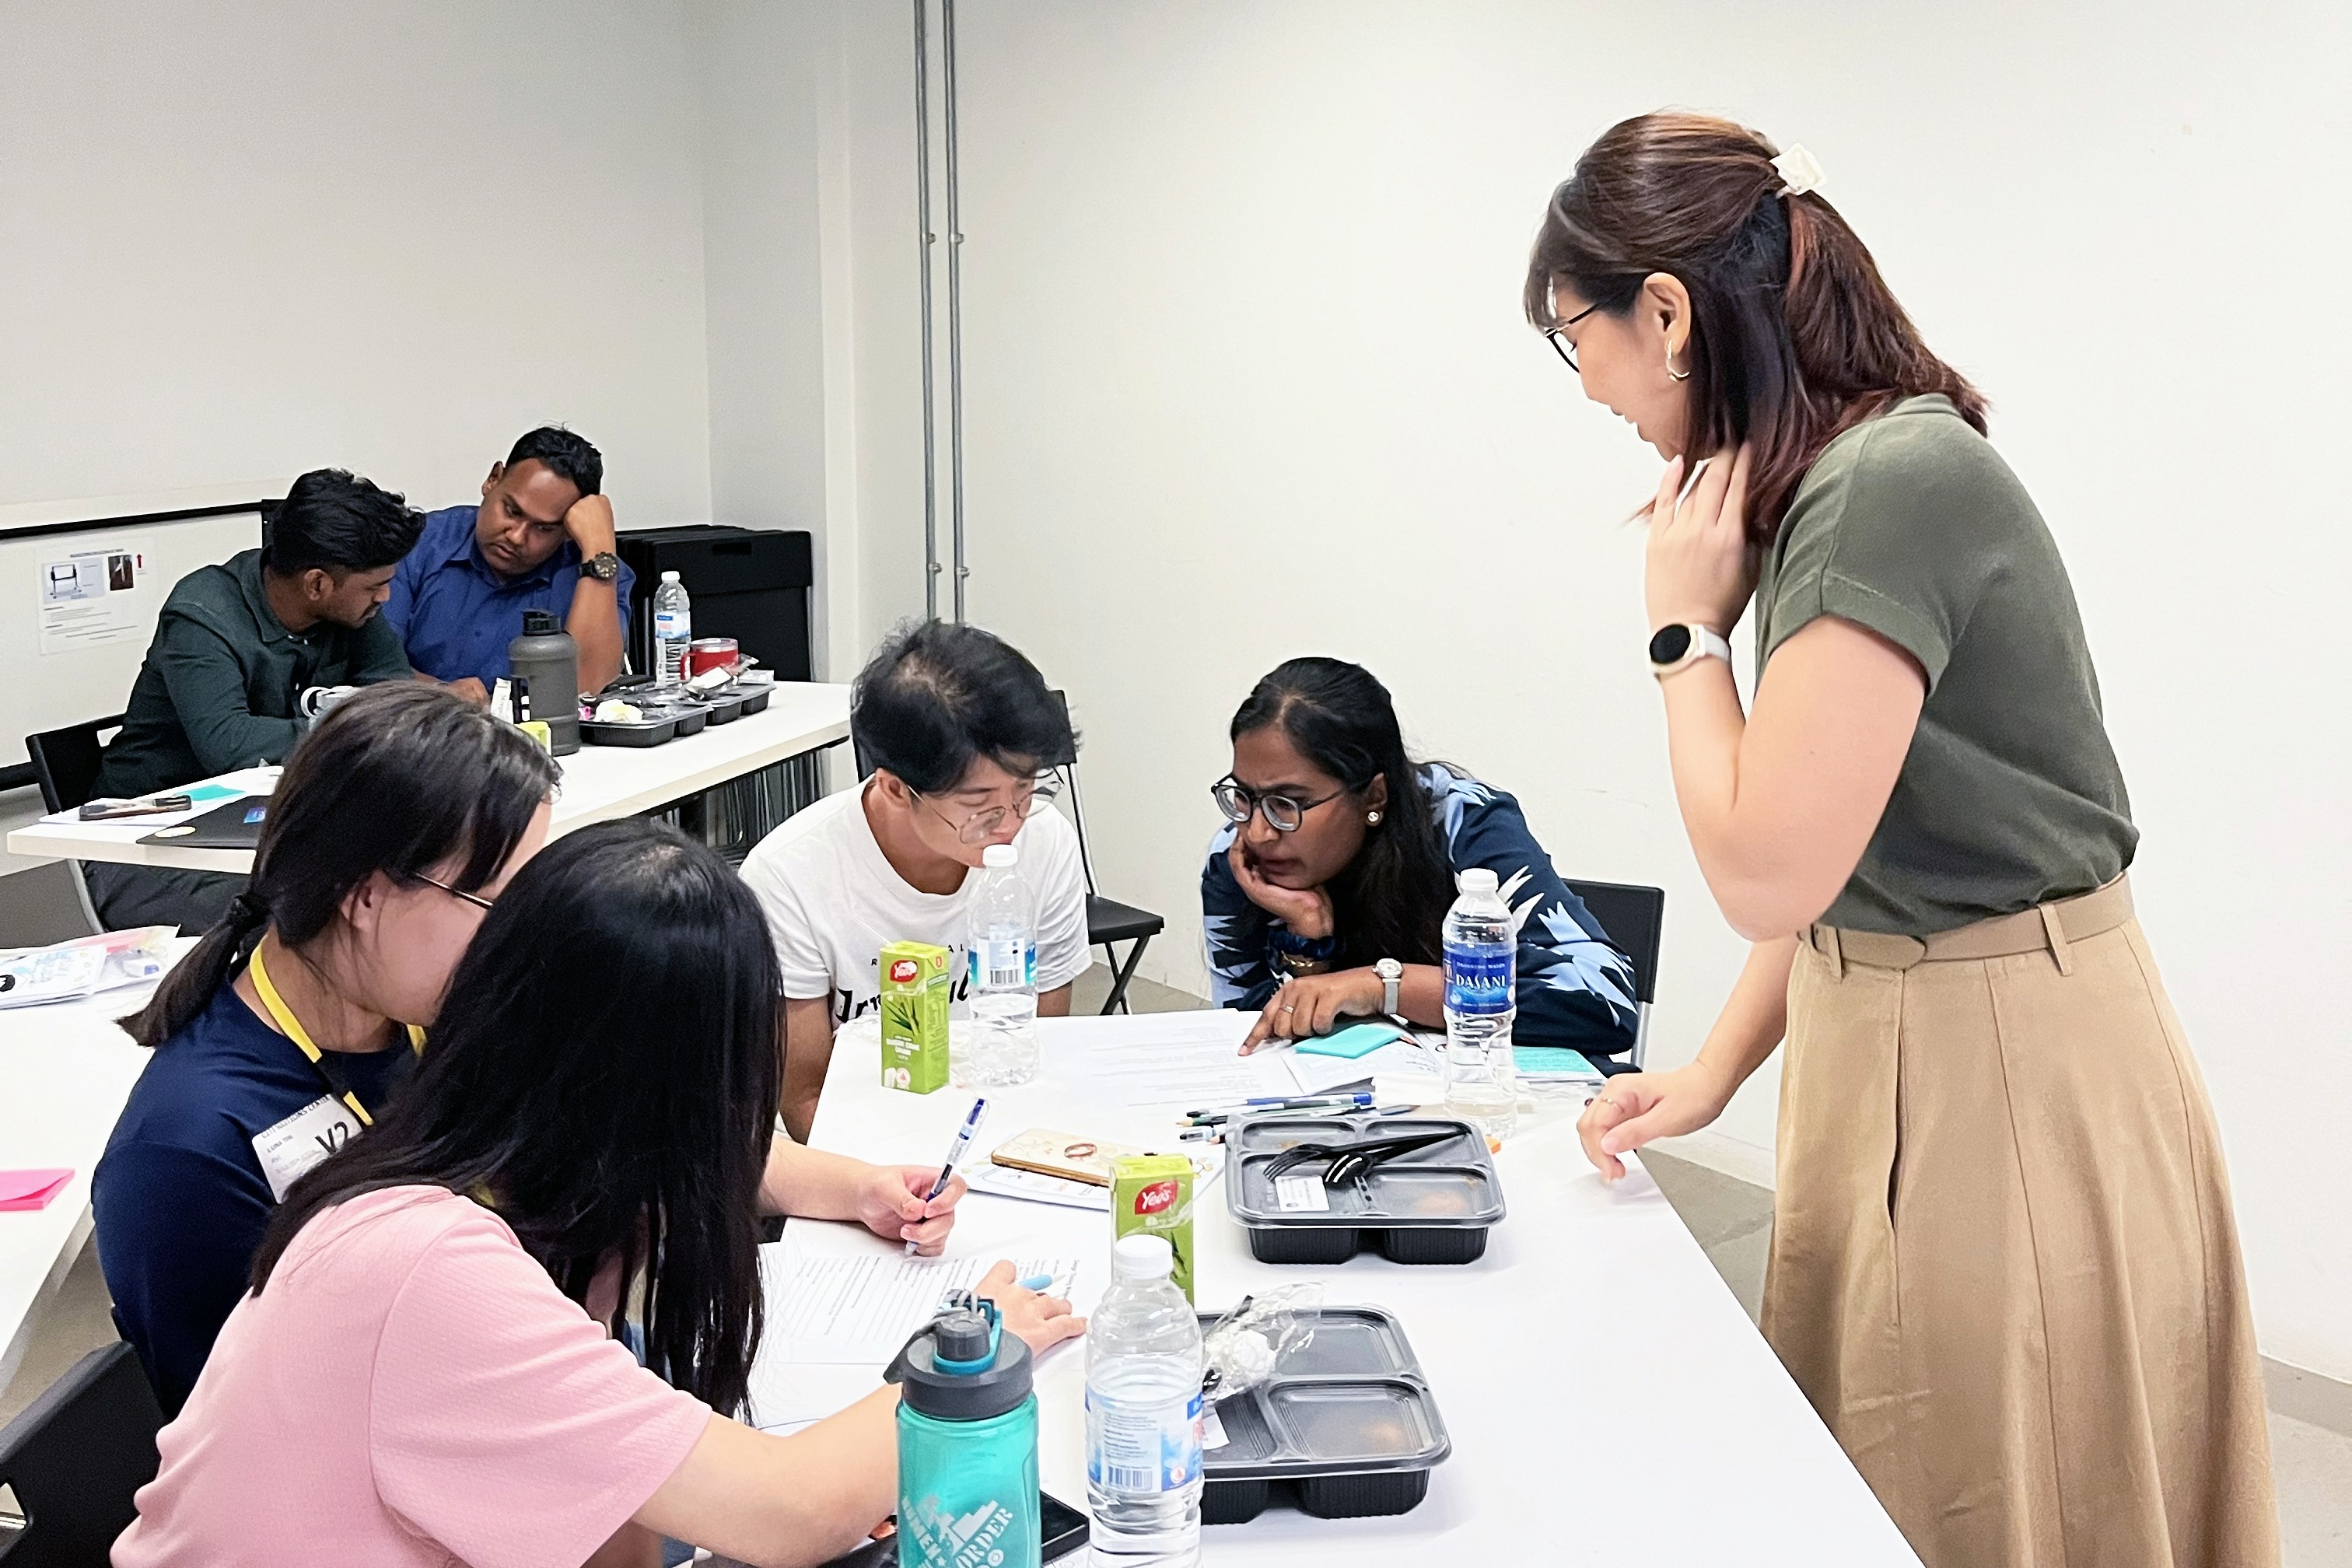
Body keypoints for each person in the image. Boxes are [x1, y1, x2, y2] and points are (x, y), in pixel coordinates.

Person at [1534, 114, 2277, 1566]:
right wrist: (1712, 1070)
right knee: (1902, 1477)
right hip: (1907, 1031)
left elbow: (1765, 868)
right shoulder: (1842, 479)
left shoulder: (1884, 487)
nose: (1592, 389)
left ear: (1665, 313)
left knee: (1977, 1499)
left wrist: (1684, 638)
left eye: (1575, 339)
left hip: (1998, 1060)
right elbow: (1839, 870)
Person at [113, 818, 1085, 1568]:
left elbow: (611, 1515)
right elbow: (792, 1510)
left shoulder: (499, 1172)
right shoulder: (430, 1263)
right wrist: (967, 1355)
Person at [93, 684, 558, 1416]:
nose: (517, 942)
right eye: (497, 907)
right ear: (365, 898)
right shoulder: (187, 1153)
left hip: (517, 1371)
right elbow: (237, 1435)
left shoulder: (430, 1015)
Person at [741, 621, 1090, 1143]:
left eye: (1025, 790)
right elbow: (807, 1100)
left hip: (1000, 1136)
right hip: (859, 1151)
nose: (1010, 824)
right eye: (979, 805)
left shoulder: (1044, 839)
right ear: (896, 789)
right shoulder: (789, 877)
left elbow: (1042, 1045)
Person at [1205, 657, 1638, 1059]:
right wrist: (1310, 945)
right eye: (1244, 796)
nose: (1257, 831)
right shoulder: (1237, 860)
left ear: (1373, 796)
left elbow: (1604, 1001)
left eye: (1289, 803)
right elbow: (1252, 1047)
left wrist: (1383, 987)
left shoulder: (1465, 823)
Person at [87, 467, 423, 930]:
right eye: (374, 586)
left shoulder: (352, 610)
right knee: (319, 918)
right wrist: (347, 724)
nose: (385, 597)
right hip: (144, 845)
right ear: (317, 584)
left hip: (262, 829)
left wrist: (359, 721)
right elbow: (229, 744)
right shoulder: (203, 615)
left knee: (410, 888)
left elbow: (398, 704)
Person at [383, 425, 636, 703]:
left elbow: (586, 691)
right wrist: (443, 695)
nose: (516, 537)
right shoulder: (418, 546)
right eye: (512, 511)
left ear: (567, 531)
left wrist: (599, 549)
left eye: (543, 528)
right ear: (493, 480)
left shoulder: (599, 574)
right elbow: (373, 669)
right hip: (422, 724)